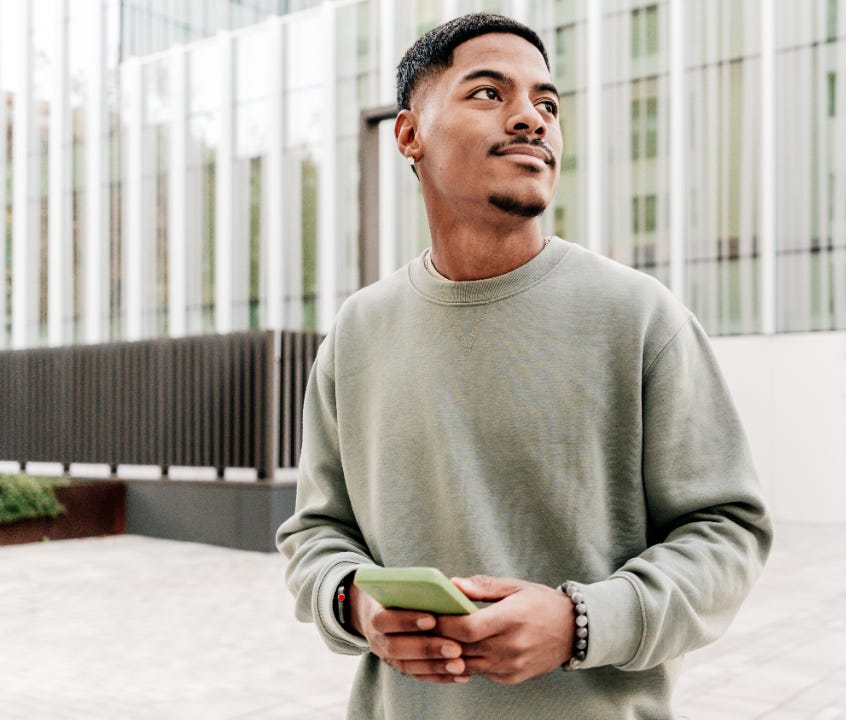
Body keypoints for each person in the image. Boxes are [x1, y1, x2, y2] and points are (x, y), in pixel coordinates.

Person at [275, 14, 773, 718]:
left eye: (547, 103)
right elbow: (316, 531)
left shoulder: (639, 318)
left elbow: (728, 531)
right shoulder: (359, 332)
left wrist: (581, 623)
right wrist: (353, 601)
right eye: (488, 93)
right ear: (409, 134)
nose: (532, 120)